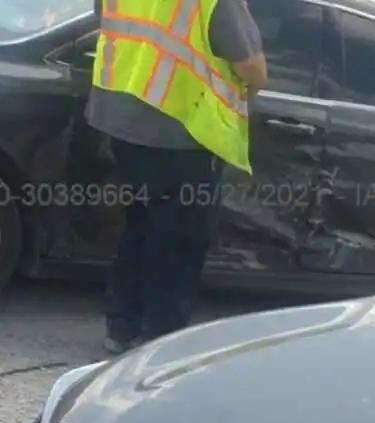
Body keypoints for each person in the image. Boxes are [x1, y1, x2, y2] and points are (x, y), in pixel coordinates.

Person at [85, 0, 268, 352]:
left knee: (140, 225)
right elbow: (250, 66)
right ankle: (160, 339)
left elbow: (106, 24)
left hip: (122, 119)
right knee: (181, 240)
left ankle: (121, 327)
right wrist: (255, 87)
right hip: (183, 128)